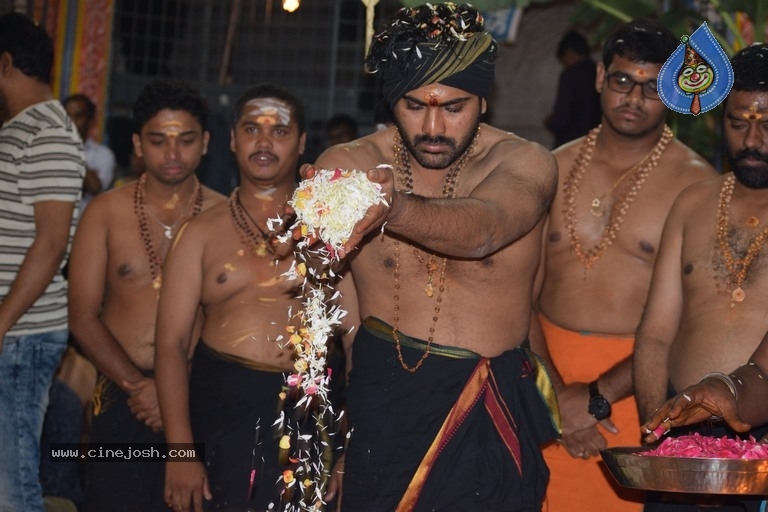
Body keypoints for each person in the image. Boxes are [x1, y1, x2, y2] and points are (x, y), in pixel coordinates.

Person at [310, 4, 560, 511]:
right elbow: (332, 286)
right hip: (381, 400)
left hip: (487, 405)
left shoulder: (525, 163)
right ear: (390, 100)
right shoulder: (348, 165)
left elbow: (485, 230)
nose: (433, 126)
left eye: (453, 106)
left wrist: (394, 209)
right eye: (414, 105)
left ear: (484, 101)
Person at [528, 18, 717, 512]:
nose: (633, 98)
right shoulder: (551, 168)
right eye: (622, 80)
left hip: (638, 395)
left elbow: (694, 322)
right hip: (541, 386)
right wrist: (554, 397)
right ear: (599, 78)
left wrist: (594, 397)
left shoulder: (697, 187)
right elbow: (516, 294)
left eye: (653, 87)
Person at [155, 83, 327, 512]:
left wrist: (344, 448)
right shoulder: (199, 233)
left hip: (306, 413)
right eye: (251, 129)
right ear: (232, 139)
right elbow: (171, 344)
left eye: (280, 132)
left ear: (302, 142)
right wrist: (180, 452)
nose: (264, 142)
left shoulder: (331, 230)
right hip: (221, 409)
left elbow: (357, 340)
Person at [67, 79, 223, 512]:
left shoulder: (226, 215)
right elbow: (81, 316)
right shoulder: (104, 213)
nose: (173, 154)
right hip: (123, 395)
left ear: (206, 142)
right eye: (158, 141)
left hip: (201, 389)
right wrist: (142, 387)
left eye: (186, 140)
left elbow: (229, 317)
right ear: (137, 143)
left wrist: (174, 386)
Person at [634, 42, 768, 512]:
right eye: (738, 124)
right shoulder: (692, 203)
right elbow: (655, 334)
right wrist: (659, 438)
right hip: (682, 427)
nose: (752, 141)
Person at [0, 12, 86, 512]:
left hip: (21, 335)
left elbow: (52, 243)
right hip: (14, 331)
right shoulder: (21, 129)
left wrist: (3, 323)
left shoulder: (48, 132)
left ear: (5, 63)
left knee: (13, 488)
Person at [544, 29, 602, 148]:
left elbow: (562, 118)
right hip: (597, 144)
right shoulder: (599, 73)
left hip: (571, 144)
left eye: (563, 60)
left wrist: (550, 122)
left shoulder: (571, 75)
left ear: (569, 52)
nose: (565, 64)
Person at [63, 93, 117, 211]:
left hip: (84, 224)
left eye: (78, 116)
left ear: (91, 121)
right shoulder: (50, 149)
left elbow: (95, 187)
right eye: (67, 116)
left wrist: (72, 149)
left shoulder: (103, 154)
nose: (71, 122)